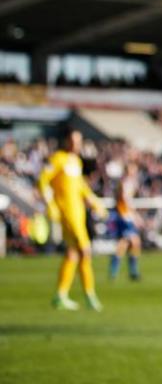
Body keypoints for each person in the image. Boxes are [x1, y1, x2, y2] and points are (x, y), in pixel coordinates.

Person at [38, 129, 107, 311]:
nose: (76, 144)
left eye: (79, 140)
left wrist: (94, 202)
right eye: (73, 140)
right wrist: (50, 204)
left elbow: (81, 186)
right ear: (66, 141)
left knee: (73, 254)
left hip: (79, 213)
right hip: (68, 214)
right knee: (85, 250)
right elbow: (43, 180)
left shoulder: (75, 161)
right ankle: (89, 294)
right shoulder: (58, 158)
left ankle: (61, 295)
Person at [109, 162, 142, 281]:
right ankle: (117, 271)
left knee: (133, 243)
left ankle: (131, 272)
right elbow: (125, 200)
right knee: (125, 243)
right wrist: (134, 215)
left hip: (125, 215)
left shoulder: (126, 183)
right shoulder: (125, 183)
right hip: (125, 216)